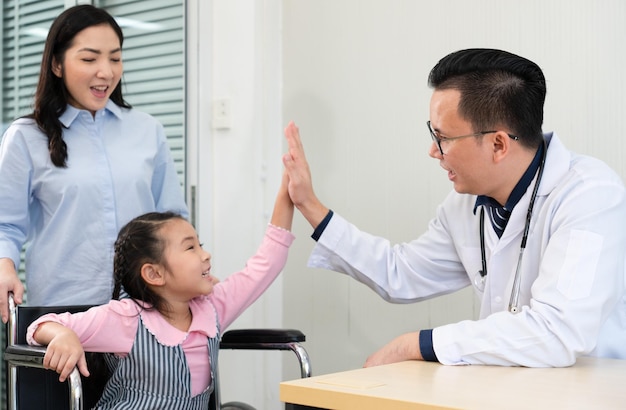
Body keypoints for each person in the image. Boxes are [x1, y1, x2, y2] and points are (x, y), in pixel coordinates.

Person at [281, 48, 626, 367]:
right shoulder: (464, 205)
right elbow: (398, 274)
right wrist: (309, 204)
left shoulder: (589, 197)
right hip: (510, 388)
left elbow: (557, 332)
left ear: (498, 144)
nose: (434, 151)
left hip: (590, 390)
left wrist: (417, 344)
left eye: (443, 137)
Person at [26, 172, 294, 408]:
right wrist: (63, 334)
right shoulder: (126, 318)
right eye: (191, 248)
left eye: (200, 245)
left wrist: (287, 194)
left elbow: (265, 265)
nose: (206, 255)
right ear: (154, 273)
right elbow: (40, 326)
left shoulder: (212, 309)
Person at [0, 4, 188, 322]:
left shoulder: (147, 130)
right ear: (57, 64)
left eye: (115, 58)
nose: (106, 71)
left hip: (144, 311)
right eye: (89, 59)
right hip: (63, 316)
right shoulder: (26, 136)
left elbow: (172, 219)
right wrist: (5, 268)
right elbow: (6, 225)